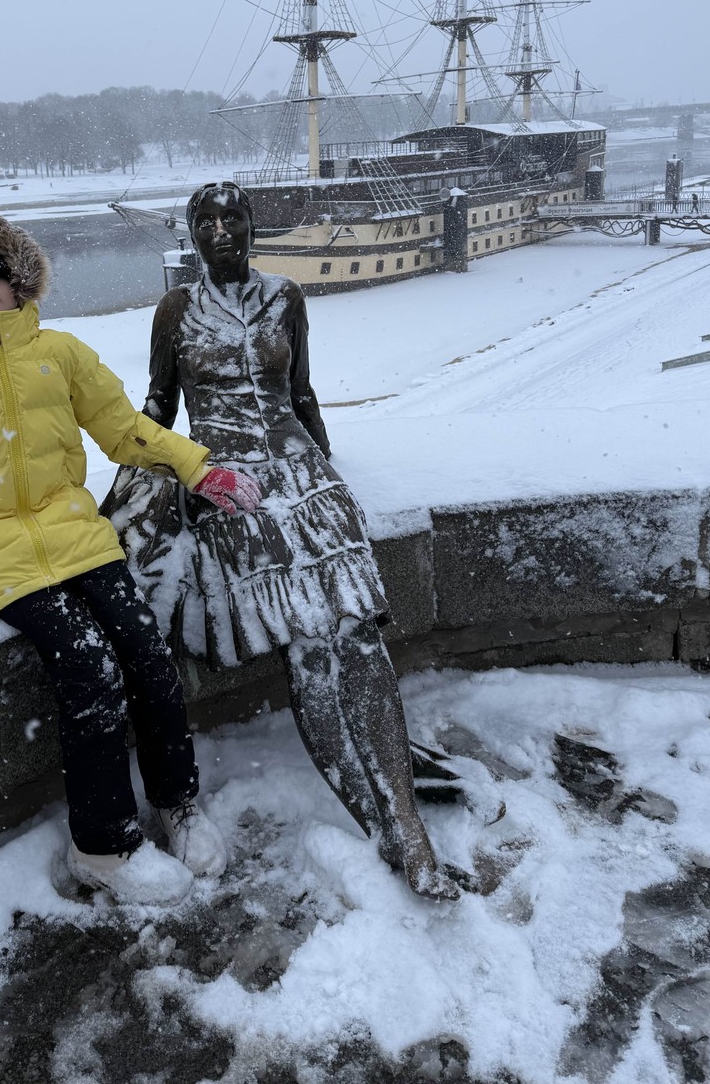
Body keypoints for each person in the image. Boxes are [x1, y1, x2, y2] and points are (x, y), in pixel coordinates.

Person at [0, 203, 261, 907]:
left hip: (82, 542)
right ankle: (105, 846)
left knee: (148, 657)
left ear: (19, 279)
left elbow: (124, 431)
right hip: (3, 565)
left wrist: (197, 468)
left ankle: (177, 805)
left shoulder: (59, 354)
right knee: (89, 671)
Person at [102, 182, 459, 901]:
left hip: (301, 473)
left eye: (233, 217)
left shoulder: (285, 297)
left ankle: (407, 827)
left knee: (357, 635)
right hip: (228, 478)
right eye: (206, 219)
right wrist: (142, 481)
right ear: (193, 234)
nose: (221, 229)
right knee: (309, 643)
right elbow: (159, 405)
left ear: (252, 228)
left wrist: (326, 464)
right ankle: (381, 818)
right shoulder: (177, 310)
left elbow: (301, 393)